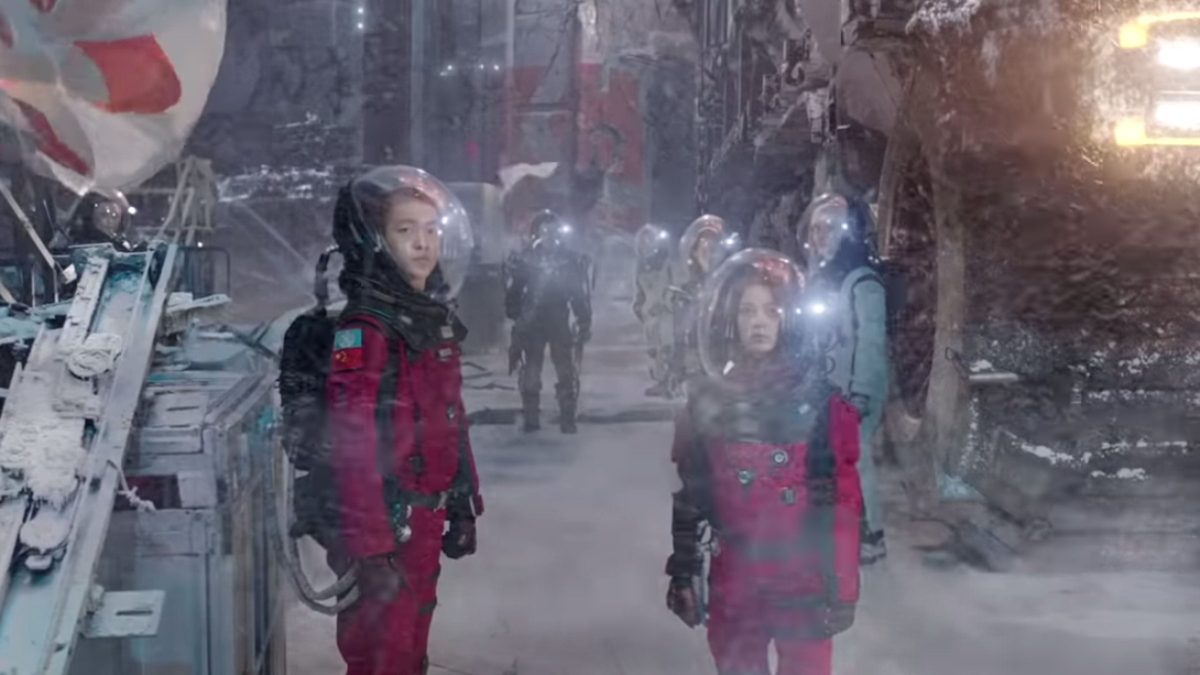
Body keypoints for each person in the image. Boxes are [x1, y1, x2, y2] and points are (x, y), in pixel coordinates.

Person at [665, 248, 863, 675]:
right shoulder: (709, 402)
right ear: (729, 321)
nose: (759, 322)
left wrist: (843, 586)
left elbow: (841, 504)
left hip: (803, 579)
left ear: (790, 319)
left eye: (772, 311)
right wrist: (683, 571)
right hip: (735, 578)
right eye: (747, 311)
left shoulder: (821, 406)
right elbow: (692, 495)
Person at [325, 166, 483, 675]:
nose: (423, 243)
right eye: (405, 230)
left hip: (423, 523)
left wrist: (462, 502)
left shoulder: (429, 321)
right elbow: (352, 444)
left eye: (431, 230)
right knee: (382, 656)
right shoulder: (367, 329)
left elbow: (450, 418)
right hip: (385, 528)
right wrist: (371, 551)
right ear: (376, 241)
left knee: (410, 652)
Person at [800, 192, 888, 564]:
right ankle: (840, 526)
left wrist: (862, 392)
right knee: (829, 457)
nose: (823, 237)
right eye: (818, 230)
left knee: (856, 457)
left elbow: (871, 342)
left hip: (857, 389)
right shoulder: (825, 279)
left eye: (831, 229)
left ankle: (872, 534)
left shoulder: (862, 282)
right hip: (831, 386)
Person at [505, 209, 592, 433]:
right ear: (538, 233)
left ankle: (567, 418)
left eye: (553, 230)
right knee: (531, 372)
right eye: (545, 230)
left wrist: (583, 319)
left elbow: (577, 293)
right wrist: (516, 313)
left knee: (565, 371)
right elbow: (516, 290)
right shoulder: (527, 258)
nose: (550, 235)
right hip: (533, 322)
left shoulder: (568, 260)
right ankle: (531, 417)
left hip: (558, 320)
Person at [669, 214, 741, 392]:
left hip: (725, 369)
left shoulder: (733, 289)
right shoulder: (685, 292)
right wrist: (676, 369)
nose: (709, 248)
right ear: (693, 251)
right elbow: (680, 337)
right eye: (703, 243)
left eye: (714, 243)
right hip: (696, 371)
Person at [633, 223, 677, 397]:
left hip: (666, 313)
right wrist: (638, 305)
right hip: (649, 314)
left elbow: (674, 286)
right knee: (653, 349)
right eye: (643, 241)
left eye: (649, 240)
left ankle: (669, 382)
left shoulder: (667, 262)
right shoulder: (641, 264)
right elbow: (640, 289)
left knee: (666, 347)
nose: (646, 244)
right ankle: (661, 381)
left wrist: (666, 303)